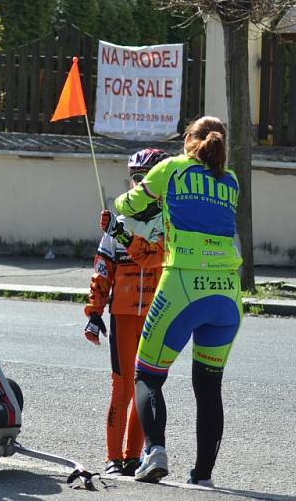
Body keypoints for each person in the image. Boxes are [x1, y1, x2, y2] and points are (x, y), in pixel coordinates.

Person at [100, 115, 242, 486]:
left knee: (147, 375)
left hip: (183, 283)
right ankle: (204, 475)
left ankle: (155, 453)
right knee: (209, 386)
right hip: (227, 291)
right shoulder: (231, 180)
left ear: (188, 141)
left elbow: (128, 205)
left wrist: (126, 199)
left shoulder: (172, 169)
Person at [83, 148, 168, 477]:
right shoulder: (116, 222)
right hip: (123, 315)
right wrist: (94, 312)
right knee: (123, 389)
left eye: (145, 179)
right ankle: (113, 458)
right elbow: (103, 269)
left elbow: (154, 257)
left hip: (157, 314)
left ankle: (134, 457)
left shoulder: (169, 222)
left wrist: (123, 235)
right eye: (134, 178)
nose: (137, 184)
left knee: (148, 386)